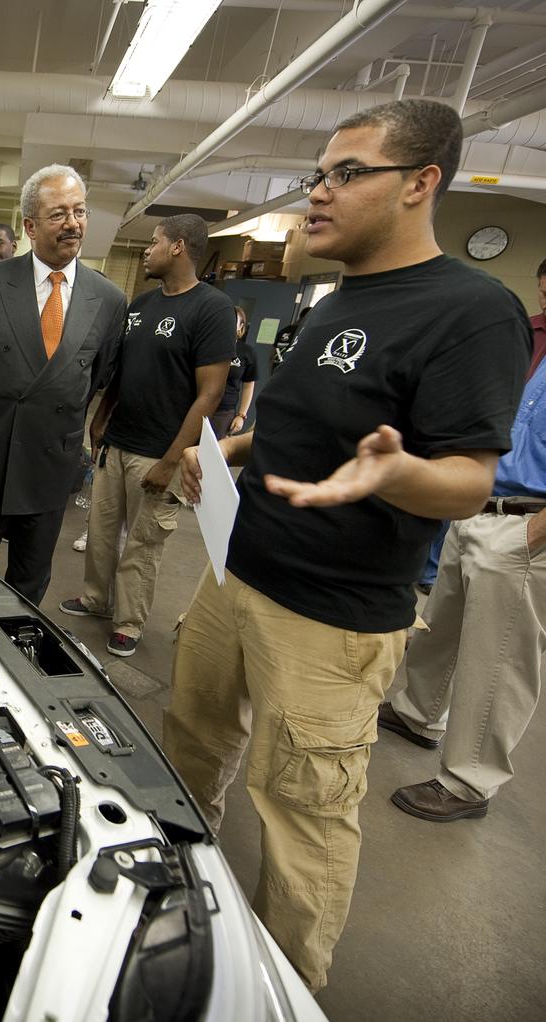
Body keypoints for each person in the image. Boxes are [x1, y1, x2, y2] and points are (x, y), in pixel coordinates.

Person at [163, 99, 532, 993]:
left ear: (419, 183)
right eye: (317, 175)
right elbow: (297, 426)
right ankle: (179, 893)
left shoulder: (473, 311)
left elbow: (471, 481)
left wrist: (395, 474)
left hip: (330, 621)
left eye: (344, 174)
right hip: (238, 573)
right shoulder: (338, 299)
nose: (317, 194)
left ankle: (282, 989)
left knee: (303, 817)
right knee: (193, 744)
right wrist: (219, 452)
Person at [381, 315, 545, 822]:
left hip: (526, 522)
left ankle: (471, 781)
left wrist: (534, 532)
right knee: (443, 625)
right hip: (480, 506)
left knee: (498, 658)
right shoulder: (533, 342)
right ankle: (419, 714)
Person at [60, 214, 235, 656]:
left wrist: (172, 460)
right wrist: (101, 416)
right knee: (100, 532)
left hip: (159, 451)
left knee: (144, 542)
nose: (147, 249)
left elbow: (210, 394)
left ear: (177, 247)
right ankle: (97, 599)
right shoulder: (140, 305)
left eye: (154, 242)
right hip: (116, 442)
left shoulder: (211, 308)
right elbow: (122, 371)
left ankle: (129, 622)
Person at [0, 165, 127, 603]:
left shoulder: (108, 299)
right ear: (30, 227)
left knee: (28, 587)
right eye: (58, 215)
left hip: (51, 464)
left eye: (80, 211)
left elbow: (97, 376)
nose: (73, 223)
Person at [209, 305, 258, 437]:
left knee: (212, 453)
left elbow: (248, 386)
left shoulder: (247, 352)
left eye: (233, 320)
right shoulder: (206, 346)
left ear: (240, 326)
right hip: (197, 406)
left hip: (224, 412)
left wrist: (241, 415)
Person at [271, 305, 310, 371]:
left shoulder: (284, 330)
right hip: (288, 370)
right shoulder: (302, 333)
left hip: (276, 369)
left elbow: (272, 355)